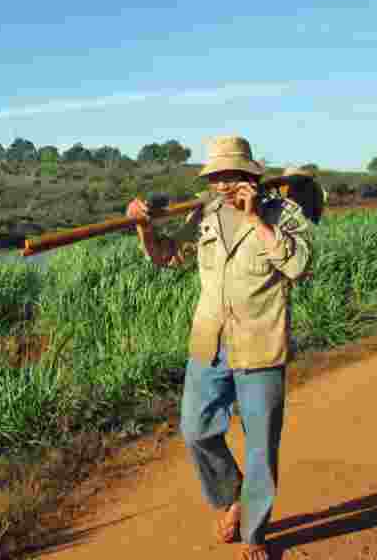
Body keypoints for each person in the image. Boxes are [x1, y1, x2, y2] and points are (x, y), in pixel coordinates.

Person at [126, 135, 313, 560]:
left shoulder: (283, 214)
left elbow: (299, 266)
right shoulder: (203, 213)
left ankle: (254, 534)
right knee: (196, 429)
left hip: (261, 343)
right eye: (217, 178)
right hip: (209, 341)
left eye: (232, 176)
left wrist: (255, 222)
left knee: (261, 444)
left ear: (250, 176)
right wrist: (143, 226)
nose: (224, 185)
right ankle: (231, 496)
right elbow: (168, 256)